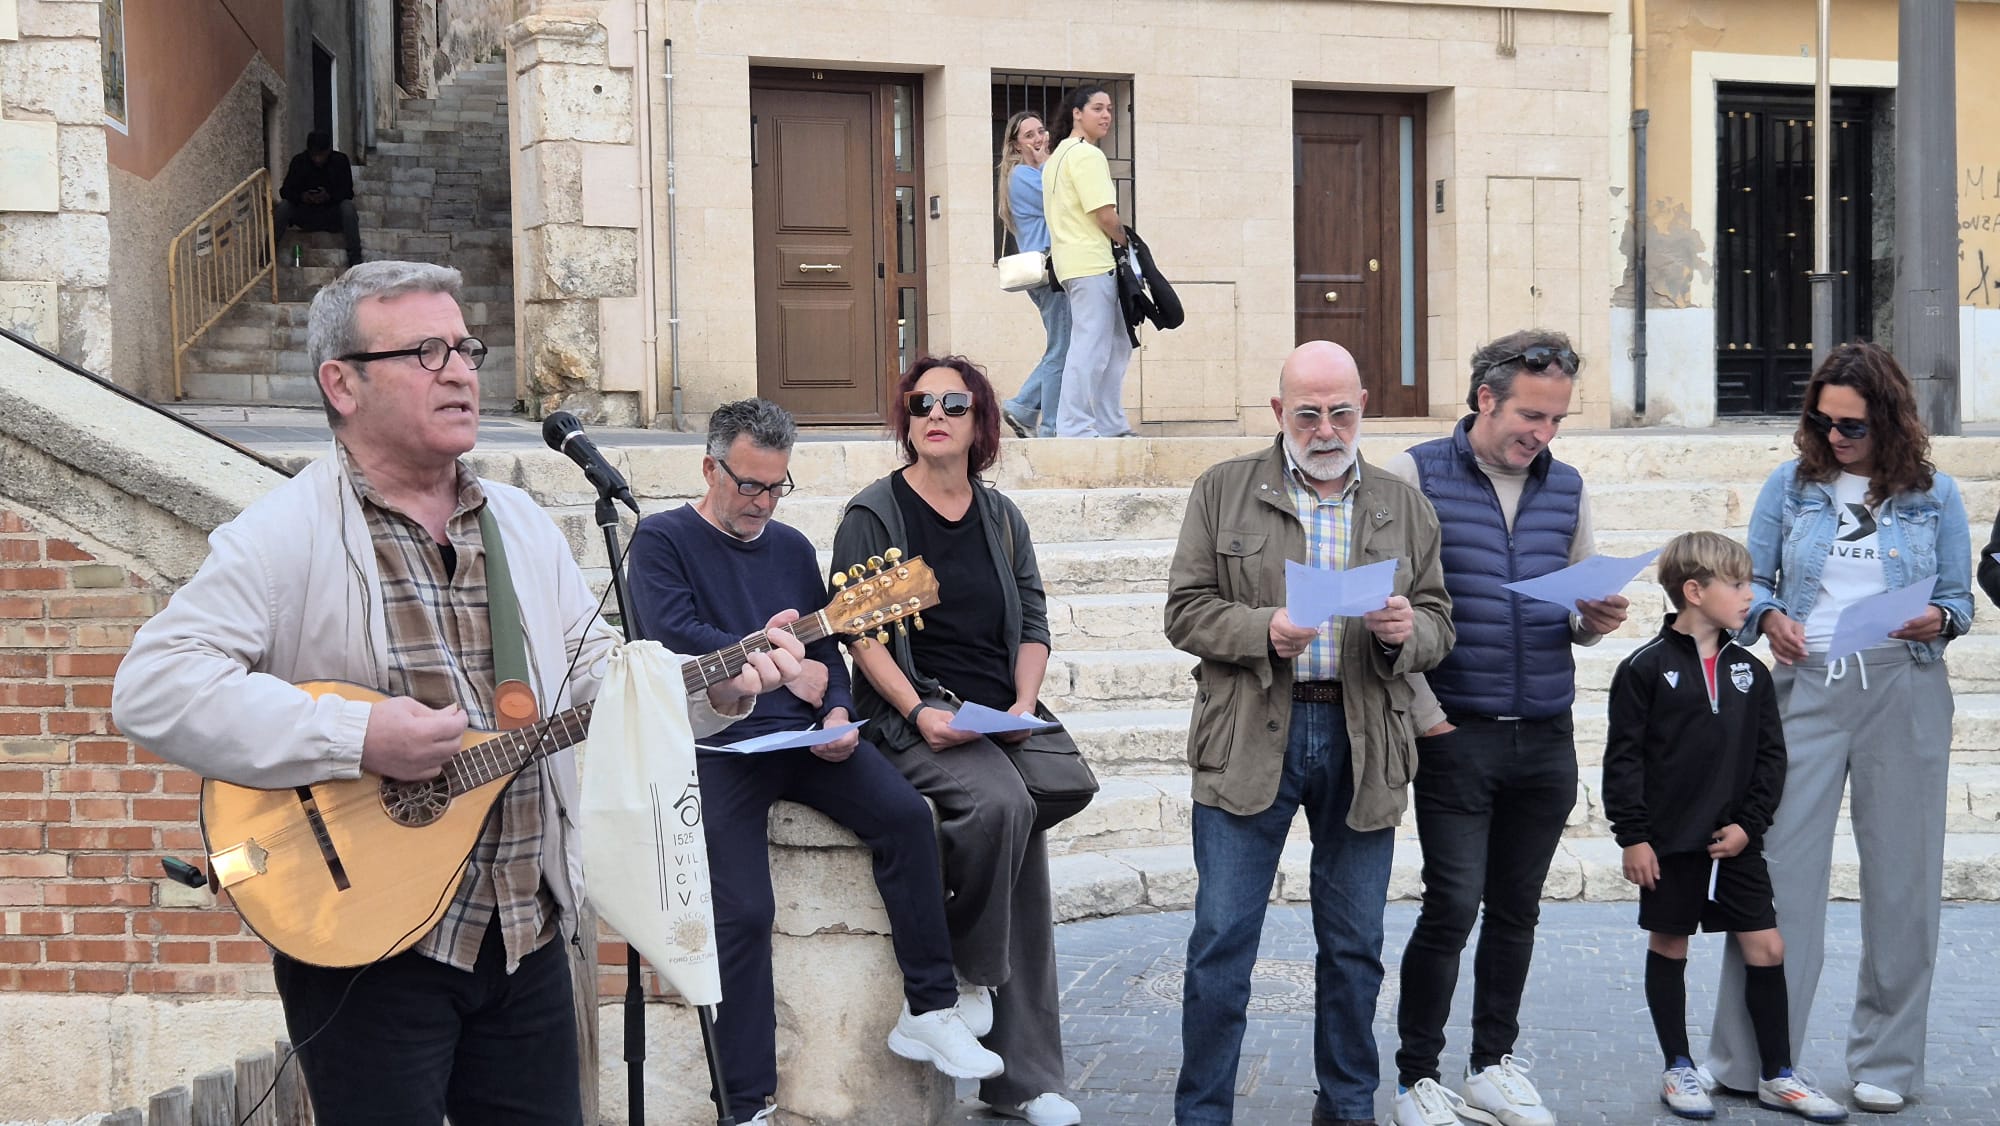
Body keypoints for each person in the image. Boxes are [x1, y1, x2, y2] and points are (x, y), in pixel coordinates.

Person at [109, 261, 805, 1124]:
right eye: (425, 352)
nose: (460, 372)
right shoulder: (283, 534)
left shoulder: (521, 525)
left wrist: (714, 687)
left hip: (525, 932)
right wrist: (356, 736)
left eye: (466, 348)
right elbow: (154, 688)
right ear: (342, 384)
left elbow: (591, 678)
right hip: (369, 942)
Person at [625, 398, 1001, 1123]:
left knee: (905, 818)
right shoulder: (662, 539)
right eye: (749, 485)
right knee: (743, 912)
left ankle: (929, 1007)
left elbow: (825, 646)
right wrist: (775, 662)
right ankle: (745, 1103)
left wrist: (833, 712)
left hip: (803, 739)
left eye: (777, 487)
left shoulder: (793, 548)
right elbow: (672, 635)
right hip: (717, 746)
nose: (763, 502)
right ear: (709, 468)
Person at [1165, 340, 1455, 1126]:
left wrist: (1406, 632)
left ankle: (1349, 1108)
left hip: (1365, 736)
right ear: (1278, 412)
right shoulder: (1223, 490)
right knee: (1222, 940)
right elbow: (1185, 611)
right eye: (1307, 415)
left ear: (1363, 407)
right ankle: (1203, 1115)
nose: (1326, 431)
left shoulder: (1403, 505)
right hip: (1250, 730)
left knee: (1356, 945)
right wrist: (1264, 629)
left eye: (1340, 413)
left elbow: (1439, 621)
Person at [1708, 342, 1973, 1115]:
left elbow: (1959, 598)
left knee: (1903, 882)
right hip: (1805, 689)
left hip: (1903, 688)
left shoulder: (1936, 495)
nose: (1835, 438)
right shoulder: (1790, 487)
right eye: (1823, 422)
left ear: (1888, 420)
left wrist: (1938, 618)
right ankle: (1756, 1054)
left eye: (1852, 426)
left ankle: (1888, 1061)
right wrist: (1768, 616)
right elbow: (1750, 582)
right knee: (1776, 878)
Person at [1385, 329, 1629, 1126]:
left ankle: (1491, 1066)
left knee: (1518, 910)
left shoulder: (1568, 486)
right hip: (1458, 732)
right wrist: (1430, 722)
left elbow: (1575, 615)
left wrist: (1593, 620)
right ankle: (1416, 1077)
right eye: (1531, 415)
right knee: (1452, 908)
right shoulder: (1415, 475)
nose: (1543, 434)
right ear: (1485, 398)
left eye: (1556, 419)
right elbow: (1387, 611)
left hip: (1547, 735)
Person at [830, 355, 1081, 1126]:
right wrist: (918, 713)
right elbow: (861, 635)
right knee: (1003, 808)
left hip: (995, 713)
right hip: (912, 713)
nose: (935, 414)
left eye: (953, 403)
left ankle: (1024, 1080)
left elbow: (1032, 623)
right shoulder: (878, 517)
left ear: (981, 423)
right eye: (921, 402)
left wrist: (1023, 707)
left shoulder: (1000, 517)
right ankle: (958, 986)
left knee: (1024, 837)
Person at [1602, 531, 1846, 1123]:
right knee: (1670, 943)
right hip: (1668, 844)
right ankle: (1678, 1066)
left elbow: (1771, 758)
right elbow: (1623, 760)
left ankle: (1779, 1074)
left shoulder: (1750, 671)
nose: (1749, 595)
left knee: (1768, 946)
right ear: (1694, 591)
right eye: (1736, 585)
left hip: (1736, 843)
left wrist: (1748, 826)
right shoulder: (1643, 668)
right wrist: (1633, 836)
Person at [1044, 84, 1134, 438]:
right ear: (1077, 113)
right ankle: (1075, 426)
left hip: (1072, 262)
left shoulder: (1058, 157)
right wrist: (1127, 242)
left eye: (1109, 108)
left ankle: (1110, 424)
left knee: (1115, 343)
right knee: (1091, 346)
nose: (1106, 115)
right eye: (1097, 108)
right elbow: (1105, 214)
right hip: (1092, 262)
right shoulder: (1087, 155)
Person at [997, 111, 1071, 439]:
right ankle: (1049, 425)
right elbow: (1061, 197)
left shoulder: (1028, 173)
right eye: (1029, 135)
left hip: (1050, 270)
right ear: (1016, 145)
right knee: (1061, 348)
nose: (1039, 138)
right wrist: (1046, 163)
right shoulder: (1024, 175)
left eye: (1041, 131)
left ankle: (1025, 407)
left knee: (1063, 346)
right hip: (1048, 272)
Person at [275, 131, 363, 268]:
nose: (317, 159)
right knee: (284, 206)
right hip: (306, 213)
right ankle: (268, 252)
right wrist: (303, 197)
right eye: (314, 155)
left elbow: (347, 192)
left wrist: (328, 196)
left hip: (330, 214)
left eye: (321, 155)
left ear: (328, 151)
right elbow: (285, 191)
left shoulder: (340, 161)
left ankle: (355, 257)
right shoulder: (299, 161)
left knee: (347, 207)